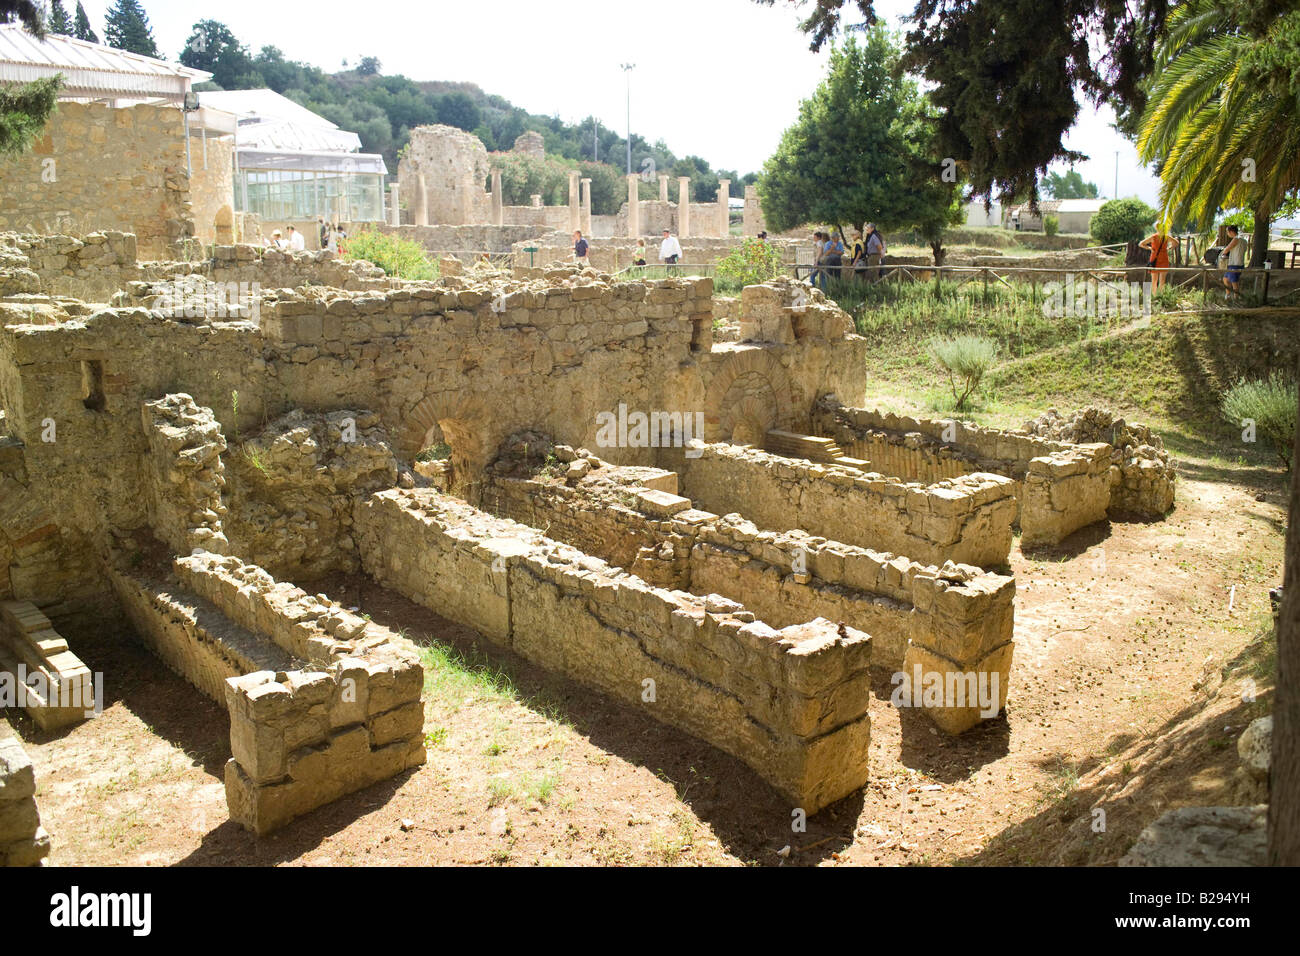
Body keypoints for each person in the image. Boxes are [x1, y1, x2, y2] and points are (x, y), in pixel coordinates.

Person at [1139, 226, 1171, 292]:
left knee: (1154, 280)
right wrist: (1169, 248)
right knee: (1162, 280)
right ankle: (1160, 295)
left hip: (1154, 258)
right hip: (1164, 258)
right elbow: (1176, 243)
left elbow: (1141, 244)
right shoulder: (1166, 237)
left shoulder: (1153, 237)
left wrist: (1150, 248)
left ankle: (1154, 295)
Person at [1221, 224, 1245, 298]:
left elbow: (1227, 249)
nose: (1228, 234)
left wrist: (1223, 253)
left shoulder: (1236, 239)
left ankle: (1235, 298)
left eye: (1228, 232)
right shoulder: (1244, 240)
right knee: (1225, 279)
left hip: (1235, 263)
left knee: (1234, 282)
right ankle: (1228, 295)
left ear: (1231, 232)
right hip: (1238, 262)